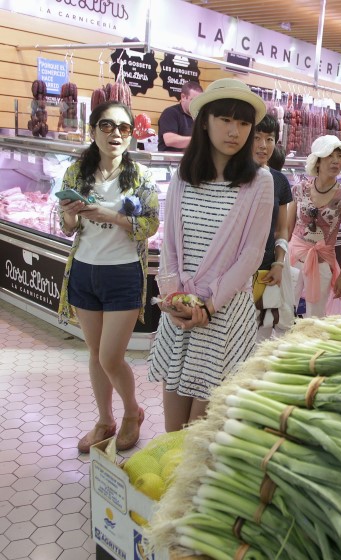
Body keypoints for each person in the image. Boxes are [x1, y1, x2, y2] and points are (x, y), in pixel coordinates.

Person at [148, 78, 273, 432]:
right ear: (205, 120)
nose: (235, 131)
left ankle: (189, 484)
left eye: (244, 123)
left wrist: (209, 305)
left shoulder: (259, 181)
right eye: (225, 120)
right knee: (173, 421)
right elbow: (169, 241)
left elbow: (251, 253)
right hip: (182, 306)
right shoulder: (184, 176)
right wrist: (174, 297)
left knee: (201, 425)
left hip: (224, 311)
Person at [56, 101, 160, 452]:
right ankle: (105, 419)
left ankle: (132, 412)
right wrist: (71, 215)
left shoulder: (141, 177)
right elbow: (67, 227)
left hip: (124, 274)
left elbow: (149, 225)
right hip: (84, 271)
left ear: (131, 135)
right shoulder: (76, 173)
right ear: (93, 130)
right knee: (95, 352)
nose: (115, 133)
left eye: (124, 128)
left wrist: (109, 215)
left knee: (110, 357)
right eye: (107, 125)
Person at [287, 135, 341, 317]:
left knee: (316, 316)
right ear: (317, 161)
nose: (336, 161)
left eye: (340, 156)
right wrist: (279, 260)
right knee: (284, 308)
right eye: (330, 155)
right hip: (293, 258)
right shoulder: (299, 189)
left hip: (323, 262)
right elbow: (287, 228)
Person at [252, 115, 293, 339]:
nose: (263, 145)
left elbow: (281, 229)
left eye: (269, 139)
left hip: (266, 268)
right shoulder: (234, 177)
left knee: (262, 332)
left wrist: (279, 262)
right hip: (234, 271)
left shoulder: (279, 181)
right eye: (256, 138)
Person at [157, 81, 203, 152]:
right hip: (170, 161)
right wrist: (199, 140)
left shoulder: (200, 117)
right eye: (193, 100)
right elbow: (170, 140)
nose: (196, 104)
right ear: (183, 97)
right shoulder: (170, 113)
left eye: (199, 101)